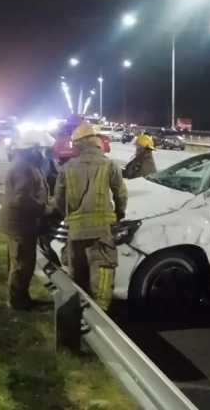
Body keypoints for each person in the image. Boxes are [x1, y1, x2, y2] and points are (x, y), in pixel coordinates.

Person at [52, 123, 128, 310]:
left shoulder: (67, 168)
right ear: (96, 142)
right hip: (102, 232)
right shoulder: (109, 165)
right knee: (102, 274)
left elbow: (59, 200)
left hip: (76, 232)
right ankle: (100, 319)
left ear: (78, 144)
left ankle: (77, 317)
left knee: (77, 276)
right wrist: (119, 214)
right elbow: (121, 195)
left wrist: (69, 217)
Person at [0, 131, 55, 310]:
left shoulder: (26, 164)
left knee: (19, 263)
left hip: (20, 223)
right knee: (22, 264)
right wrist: (44, 209)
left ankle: (20, 298)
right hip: (21, 225)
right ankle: (18, 303)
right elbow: (21, 199)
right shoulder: (23, 167)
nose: (43, 153)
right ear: (33, 149)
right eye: (41, 149)